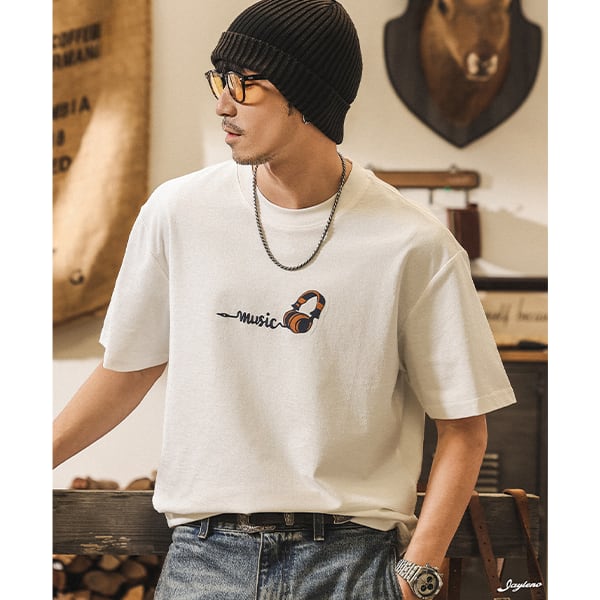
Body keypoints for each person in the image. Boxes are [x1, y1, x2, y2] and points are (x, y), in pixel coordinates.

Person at [53, 1, 517, 598]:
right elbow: (126, 371)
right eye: (220, 80)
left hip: (351, 561)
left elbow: (464, 428)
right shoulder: (178, 213)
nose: (223, 104)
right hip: (204, 560)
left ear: (307, 96)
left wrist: (414, 575)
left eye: (246, 85)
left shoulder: (414, 244)